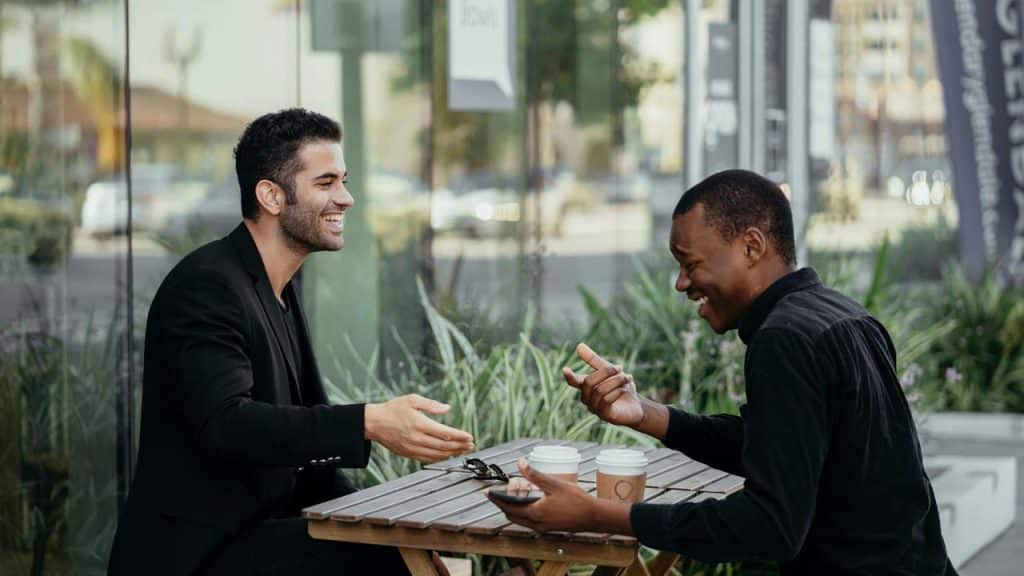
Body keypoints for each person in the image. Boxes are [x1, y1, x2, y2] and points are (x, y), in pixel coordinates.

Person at [489, 169, 956, 575]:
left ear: (751, 245)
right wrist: (645, 414)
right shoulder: (843, 315)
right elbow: (785, 451)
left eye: (690, 264)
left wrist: (599, 514)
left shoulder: (784, 340)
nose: (681, 283)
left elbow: (770, 527)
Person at [108, 108, 474, 576]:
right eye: (326, 183)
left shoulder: (280, 286)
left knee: (394, 547)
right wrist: (368, 421)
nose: (346, 198)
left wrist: (393, 529)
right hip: (199, 555)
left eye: (343, 180)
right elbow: (226, 424)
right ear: (271, 196)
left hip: (258, 535)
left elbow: (309, 463)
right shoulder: (206, 286)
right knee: (381, 556)